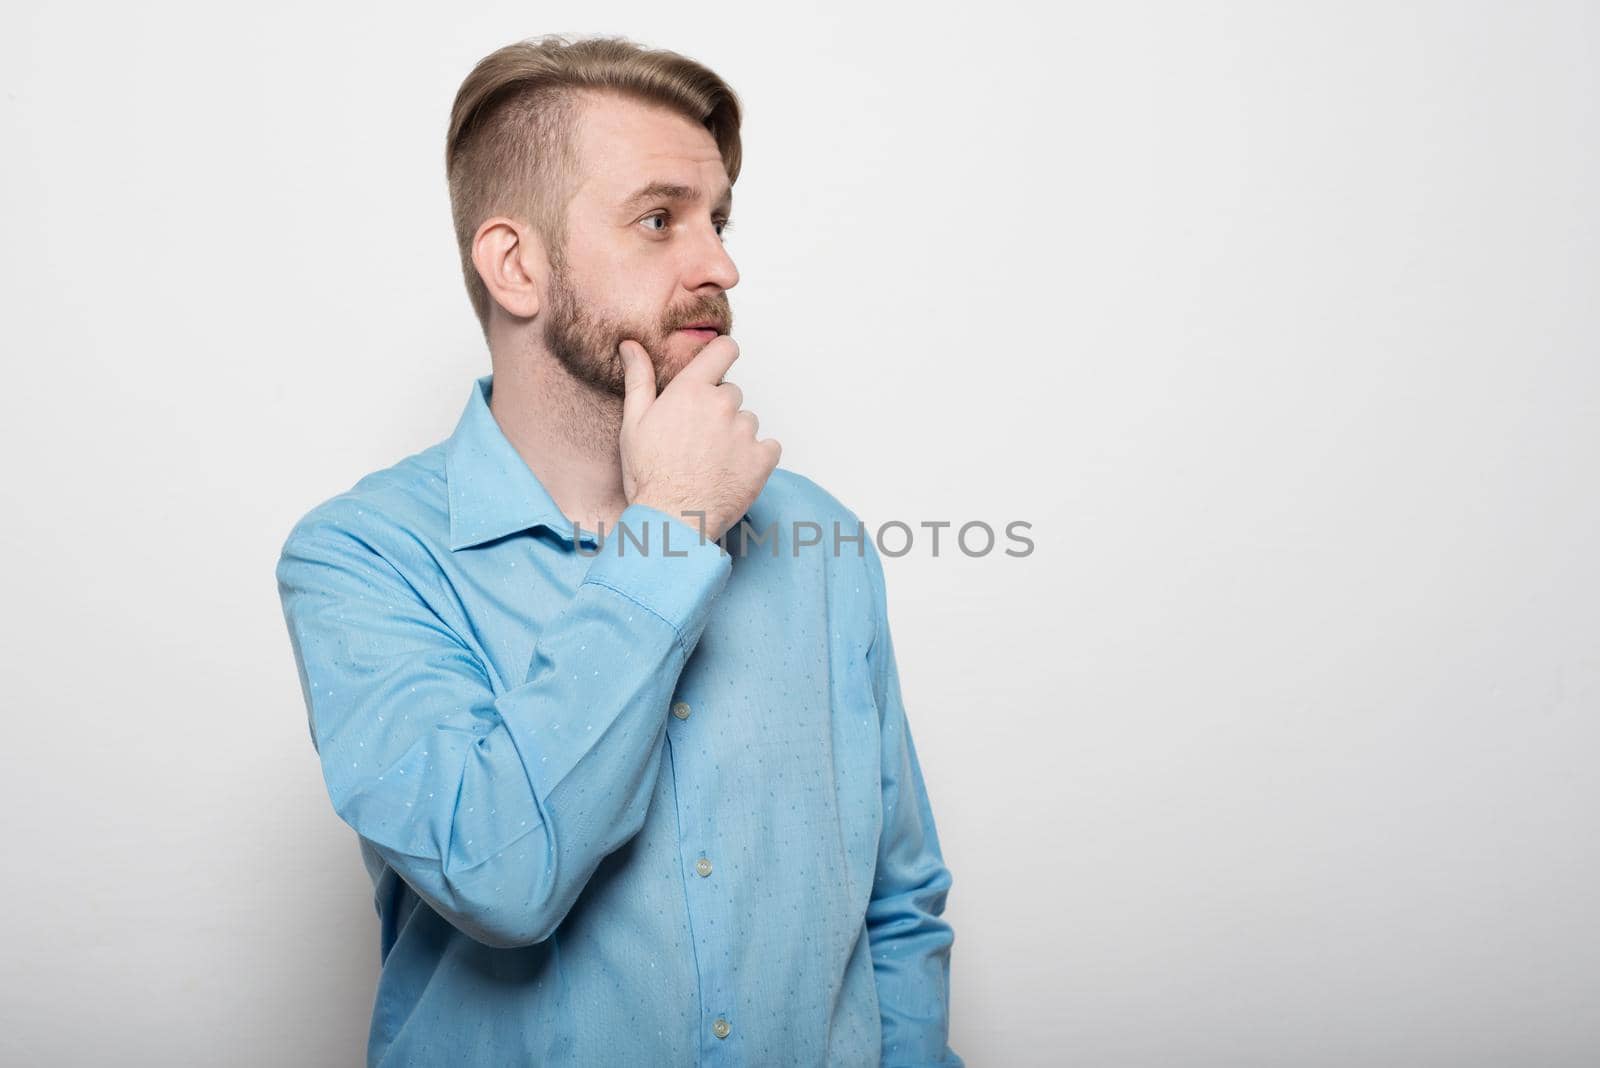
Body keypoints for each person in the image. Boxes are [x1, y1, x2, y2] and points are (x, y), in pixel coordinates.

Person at [275, 33, 962, 1067]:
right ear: (517, 265)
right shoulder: (362, 559)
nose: (721, 264)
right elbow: (499, 876)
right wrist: (672, 531)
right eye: (659, 220)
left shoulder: (820, 543)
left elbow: (898, 905)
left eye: (718, 220)